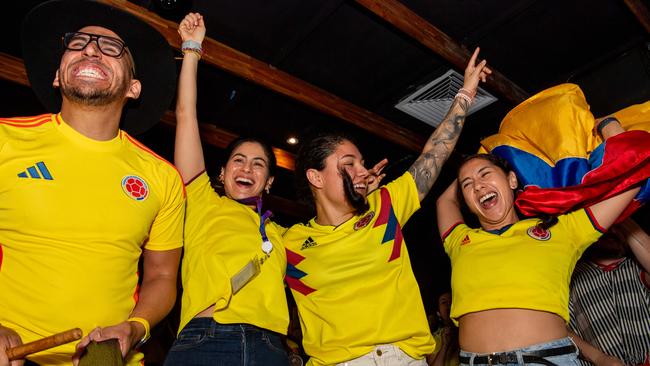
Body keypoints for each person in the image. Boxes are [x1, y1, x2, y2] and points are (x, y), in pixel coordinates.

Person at [0, 1, 184, 365]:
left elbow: (162, 274)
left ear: (133, 88)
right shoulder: (5, 140)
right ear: (57, 75)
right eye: (78, 43)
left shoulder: (162, 177)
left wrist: (136, 327)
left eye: (111, 48)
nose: (90, 49)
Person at [284, 48, 491, 366]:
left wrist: (465, 94)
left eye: (362, 163)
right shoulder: (289, 243)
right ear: (316, 177)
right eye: (348, 164)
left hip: (403, 358)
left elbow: (433, 155)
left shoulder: (384, 206)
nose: (361, 171)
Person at [436, 116, 648, 365]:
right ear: (466, 202)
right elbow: (444, 201)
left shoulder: (563, 229)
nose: (479, 187)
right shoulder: (460, 240)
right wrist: (474, 161)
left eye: (485, 175)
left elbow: (637, 168)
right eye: (468, 185)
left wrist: (608, 124)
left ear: (512, 180)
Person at [162, 13, 289, 366]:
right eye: (238, 160)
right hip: (207, 339)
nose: (247, 168)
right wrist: (191, 50)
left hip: (271, 347)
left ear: (269, 181)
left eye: (258, 164)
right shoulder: (202, 201)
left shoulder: (283, 235)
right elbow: (186, 116)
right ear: (222, 172)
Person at [568, 218, 650, 366]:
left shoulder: (638, 268)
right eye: (605, 229)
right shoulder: (572, 279)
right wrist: (600, 359)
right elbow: (560, 330)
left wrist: (621, 214)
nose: (611, 231)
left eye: (616, 228)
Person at [427, 292, 459, 366]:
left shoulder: (465, 332)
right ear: (438, 312)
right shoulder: (434, 340)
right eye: (444, 302)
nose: (449, 305)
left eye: (451, 301)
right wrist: (445, 346)